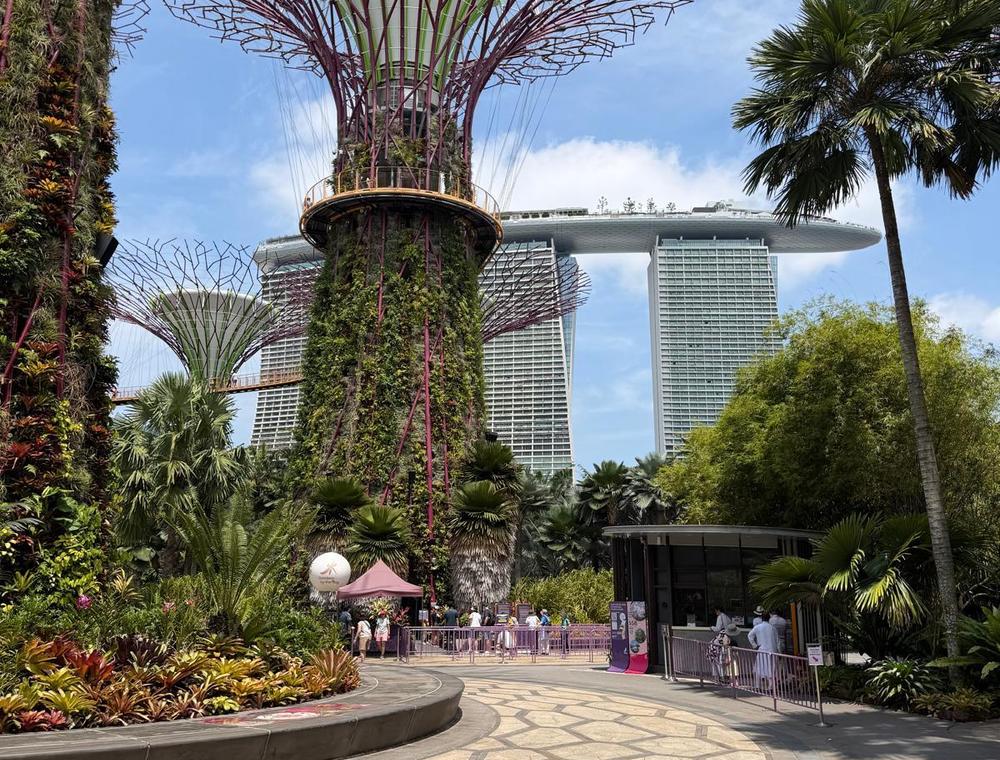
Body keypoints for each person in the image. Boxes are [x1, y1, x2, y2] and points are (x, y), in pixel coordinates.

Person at [748, 614, 780, 690]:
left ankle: (757, 685)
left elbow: (749, 635)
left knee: (759, 667)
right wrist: (779, 651)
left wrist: (755, 645)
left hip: (762, 650)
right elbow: (778, 641)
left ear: (761, 619)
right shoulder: (773, 628)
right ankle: (771, 686)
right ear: (769, 619)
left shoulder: (758, 627)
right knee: (771, 668)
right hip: (772, 650)